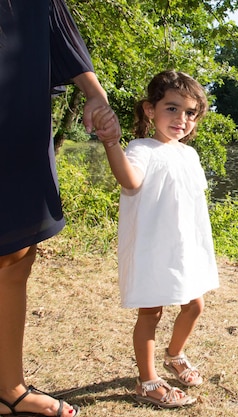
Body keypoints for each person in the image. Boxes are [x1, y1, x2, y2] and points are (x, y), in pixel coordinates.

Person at [0, 1, 121, 416]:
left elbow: (65, 42)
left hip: (20, 123)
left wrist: (96, 97)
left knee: (16, 256)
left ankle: (8, 390)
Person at [99, 70, 219, 408]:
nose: (182, 119)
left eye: (190, 113)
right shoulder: (142, 149)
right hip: (154, 250)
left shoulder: (188, 154)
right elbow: (131, 181)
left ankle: (175, 354)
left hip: (185, 249)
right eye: (172, 109)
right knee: (151, 313)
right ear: (150, 110)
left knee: (195, 304)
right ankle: (147, 381)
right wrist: (111, 143)